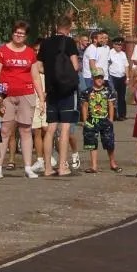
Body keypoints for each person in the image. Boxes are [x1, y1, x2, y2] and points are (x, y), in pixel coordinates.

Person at [0, 22, 43, 178]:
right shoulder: (2, 51)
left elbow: (35, 76)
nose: (19, 36)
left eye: (22, 34)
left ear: (26, 36)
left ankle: (28, 167)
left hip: (26, 93)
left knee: (26, 130)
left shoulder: (30, 53)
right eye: (16, 33)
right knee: (5, 130)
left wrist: (41, 97)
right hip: (7, 94)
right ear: (12, 33)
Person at [37, 15, 81, 177]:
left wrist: (51, 73)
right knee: (65, 128)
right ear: (68, 27)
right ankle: (62, 166)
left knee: (50, 129)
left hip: (51, 89)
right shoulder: (69, 42)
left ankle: (48, 167)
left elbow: (39, 66)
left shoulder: (45, 43)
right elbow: (75, 66)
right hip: (67, 90)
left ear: (56, 26)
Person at [81, 70, 117, 172]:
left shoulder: (108, 91)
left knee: (109, 142)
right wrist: (84, 120)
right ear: (93, 78)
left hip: (105, 119)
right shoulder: (87, 92)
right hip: (92, 120)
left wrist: (111, 119)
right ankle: (94, 165)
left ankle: (113, 163)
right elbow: (84, 106)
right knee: (92, 142)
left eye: (101, 77)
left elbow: (111, 105)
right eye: (97, 77)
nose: (100, 80)